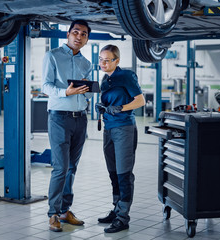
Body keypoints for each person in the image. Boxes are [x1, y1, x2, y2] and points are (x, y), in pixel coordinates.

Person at [41, 19, 93, 232]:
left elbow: (85, 89)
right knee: (60, 168)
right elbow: (45, 85)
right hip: (59, 118)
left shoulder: (86, 63)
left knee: (71, 168)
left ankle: (65, 210)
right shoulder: (52, 56)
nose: (79, 37)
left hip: (80, 118)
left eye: (83, 34)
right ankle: (53, 213)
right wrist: (66, 92)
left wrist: (87, 96)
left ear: (87, 39)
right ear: (68, 34)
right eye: (75, 32)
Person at [95, 44, 145, 233]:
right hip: (108, 129)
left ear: (117, 61)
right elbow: (111, 100)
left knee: (124, 174)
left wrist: (121, 108)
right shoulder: (105, 79)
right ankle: (116, 210)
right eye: (101, 59)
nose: (103, 63)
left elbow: (140, 100)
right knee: (113, 172)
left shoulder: (126, 76)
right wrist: (102, 107)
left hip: (124, 128)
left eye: (108, 60)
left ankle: (123, 217)